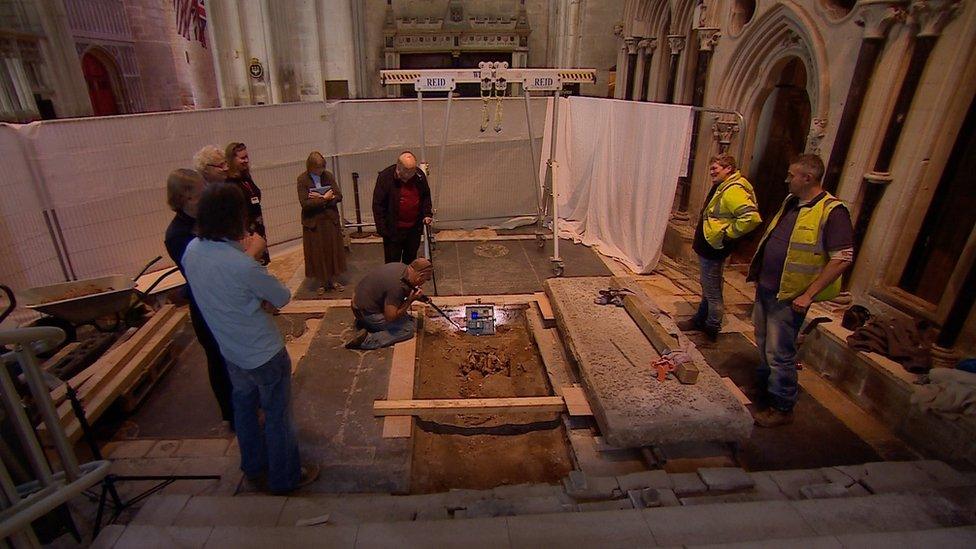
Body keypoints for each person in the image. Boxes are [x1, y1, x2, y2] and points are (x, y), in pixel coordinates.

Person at [181, 183, 319, 493]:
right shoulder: (241, 264)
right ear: (235, 219)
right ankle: (286, 477)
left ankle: (254, 466)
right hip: (263, 354)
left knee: (243, 407)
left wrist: (252, 295)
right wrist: (253, 253)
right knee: (277, 416)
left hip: (230, 349)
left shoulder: (192, 251)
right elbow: (281, 296)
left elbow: (223, 292)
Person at [747, 154, 854, 428]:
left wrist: (809, 295)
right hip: (768, 288)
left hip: (791, 296)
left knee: (779, 351)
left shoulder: (833, 211)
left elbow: (842, 257)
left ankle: (782, 406)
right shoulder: (792, 201)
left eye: (791, 175)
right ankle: (765, 388)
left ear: (807, 178)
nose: (786, 179)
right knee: (762, 340)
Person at [163, 169, 234, 429]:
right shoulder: (177, 235)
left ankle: (246, 404)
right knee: (218, 360)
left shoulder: (205, 219)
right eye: (201, 191)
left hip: (224, 300)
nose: (206, 194)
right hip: (207, 308)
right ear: (185, 197)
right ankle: (232, 414)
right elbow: (201, 275)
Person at [677, 154, 761, 341]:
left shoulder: (733, 190)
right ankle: (700, 319)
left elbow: (751, 218)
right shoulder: (723, 186)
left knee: (713, 291)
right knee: (709, 286)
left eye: (716, 168)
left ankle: (711, 327)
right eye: (711, 168)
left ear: (728, 168)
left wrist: (728, 233)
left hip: (714, 247)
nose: (711, 172)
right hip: (710, 244)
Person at [345, 258, 433, 350]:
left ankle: (366, 324)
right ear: (421, 276)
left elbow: (404, 289)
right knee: (407, 329)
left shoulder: (402, 268)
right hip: (365, 312)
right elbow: (390, 317)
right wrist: (410, 300)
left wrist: (421, 298)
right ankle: (367, 340)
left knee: (409, 320)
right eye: (426, 279)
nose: (424, 282)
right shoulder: (398, 286)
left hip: (360, 302)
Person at [297, 152, 346, 293]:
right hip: (313, 222)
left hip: (329, 219)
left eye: (322, 168)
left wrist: (322, 198)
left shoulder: (328, 176)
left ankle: (333, 279)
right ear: (310, 168)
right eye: (317, 169)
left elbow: (338, 195)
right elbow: (305, 203)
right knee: (317, 252)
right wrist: (324, 198)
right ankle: (321, 282)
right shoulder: (302, 180)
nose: (320, 172)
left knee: (332, 250)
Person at [372, 151, 433, 264]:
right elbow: (378, 205)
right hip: (393, 231)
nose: (407, 180)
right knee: (392, 263)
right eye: (405, 177)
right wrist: (383, 231)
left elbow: (425, 196)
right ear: (398, 169)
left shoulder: (418, 175)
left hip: (413, 229)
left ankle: (407, 281)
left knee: (410, 261)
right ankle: (392, 281)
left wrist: (427, 214)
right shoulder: (385, 177)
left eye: (411, 176)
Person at [226, 142, 271, 265]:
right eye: (242, 158)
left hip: (257, 225)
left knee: (261, 264)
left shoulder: (246, 176)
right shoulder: (229, 183)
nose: (246, 161)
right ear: (232, 160)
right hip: (245, 230)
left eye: (246, 157)